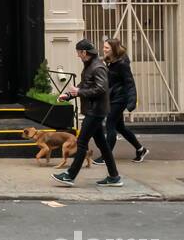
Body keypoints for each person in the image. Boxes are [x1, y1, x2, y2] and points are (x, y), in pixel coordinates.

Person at [52, 39, 122, 187]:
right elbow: (85, 85)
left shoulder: (98, 67)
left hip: (96, 111)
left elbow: (101, 88)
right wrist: (70, 95)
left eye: (78, 52)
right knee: (102, 144)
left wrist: (79, 91)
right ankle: (114, 177)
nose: (78, 55)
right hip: (94, 109)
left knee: (82, 142)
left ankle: (70, 175)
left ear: (84, 52)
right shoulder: (90, 66)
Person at [96, 36, 148, 165]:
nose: (104, 49)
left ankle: (106, 156)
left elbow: (129, 83)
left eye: (106, 47)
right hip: (113, 97)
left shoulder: (122, 64)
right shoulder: (109, 61)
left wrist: (132, 101)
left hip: (120, 99)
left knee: (110, 125)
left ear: (113, 49)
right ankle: (140, 149)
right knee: (120, 127)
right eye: (104, 47)